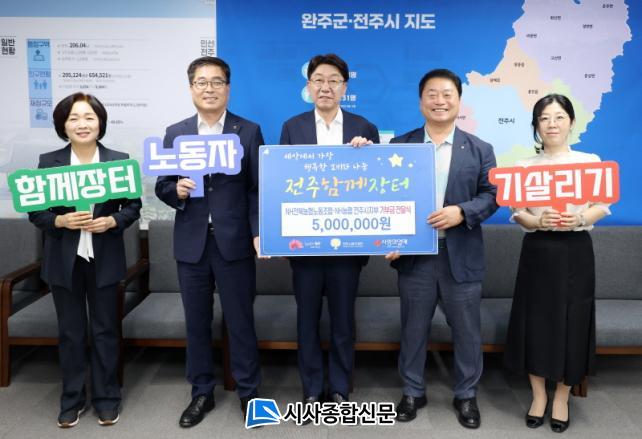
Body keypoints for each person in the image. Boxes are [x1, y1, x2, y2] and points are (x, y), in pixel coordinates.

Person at [386, 69, 498, 429]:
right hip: (415, 256)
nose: (440, 101)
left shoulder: (480, 149)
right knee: (413, 328)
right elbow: (384, 196)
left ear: (458, 100)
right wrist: (388, 238)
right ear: (421, 101)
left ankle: (466, 395)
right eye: (432, 94)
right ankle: (412, 391)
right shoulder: (400, 146)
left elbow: (492, 196)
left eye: (447, 94)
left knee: (466, 331)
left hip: (460, 255)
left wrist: (462, 211)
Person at [155, 56, 262, 427]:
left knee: (241, 321)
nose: (210, 89)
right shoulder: (176, 132)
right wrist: (176, 190)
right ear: (191, 89)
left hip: (235, 242)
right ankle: (201, 392)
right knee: (196, 322)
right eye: (202, 82)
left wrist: (257, 232)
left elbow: (256, 188)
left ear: (228, 89)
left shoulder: (248, 131)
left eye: (217, 82)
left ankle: (249, 393)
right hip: (192, 243)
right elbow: (163, 184)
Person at [28, 92, 141, 428]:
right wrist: (59, 220)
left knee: (106, 330)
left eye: (89, 117)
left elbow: (132, 206)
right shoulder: (49, 162)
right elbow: (36, 211)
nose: (82, 124)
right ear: (63, 125)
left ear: (100, 123)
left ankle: (107, 399)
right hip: (64, 259)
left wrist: (112, 221)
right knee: (71, 333)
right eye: (74, 118)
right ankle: (72, 399)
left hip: (104, 257)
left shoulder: (118, 161)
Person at [503, 93, 610, 433]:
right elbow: (517, 212)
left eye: (559, 117)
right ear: (536, 125)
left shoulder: (589, 161)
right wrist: (537, 221)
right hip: (538, 250)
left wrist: (579, 219)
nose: (552, 124)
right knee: (534, 321)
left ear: (571, 122)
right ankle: (538, 395)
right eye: (544, 118)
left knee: (573, 322)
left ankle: (562, 396)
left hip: (576, 250)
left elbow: (601, 205)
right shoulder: (523, 167)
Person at [279, 53, 379, 414]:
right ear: (308, 86)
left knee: (342, 320)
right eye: (318, 80)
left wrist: (368, 156)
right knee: (306, 320)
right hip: (304, 244)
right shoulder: (292, 127)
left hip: (347, 245)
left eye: (333, 80)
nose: (326, 87)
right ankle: (311, 387)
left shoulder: (363, 127)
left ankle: (339, 386)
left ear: (344, 87)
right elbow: (282, 182)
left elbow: (377, 184)